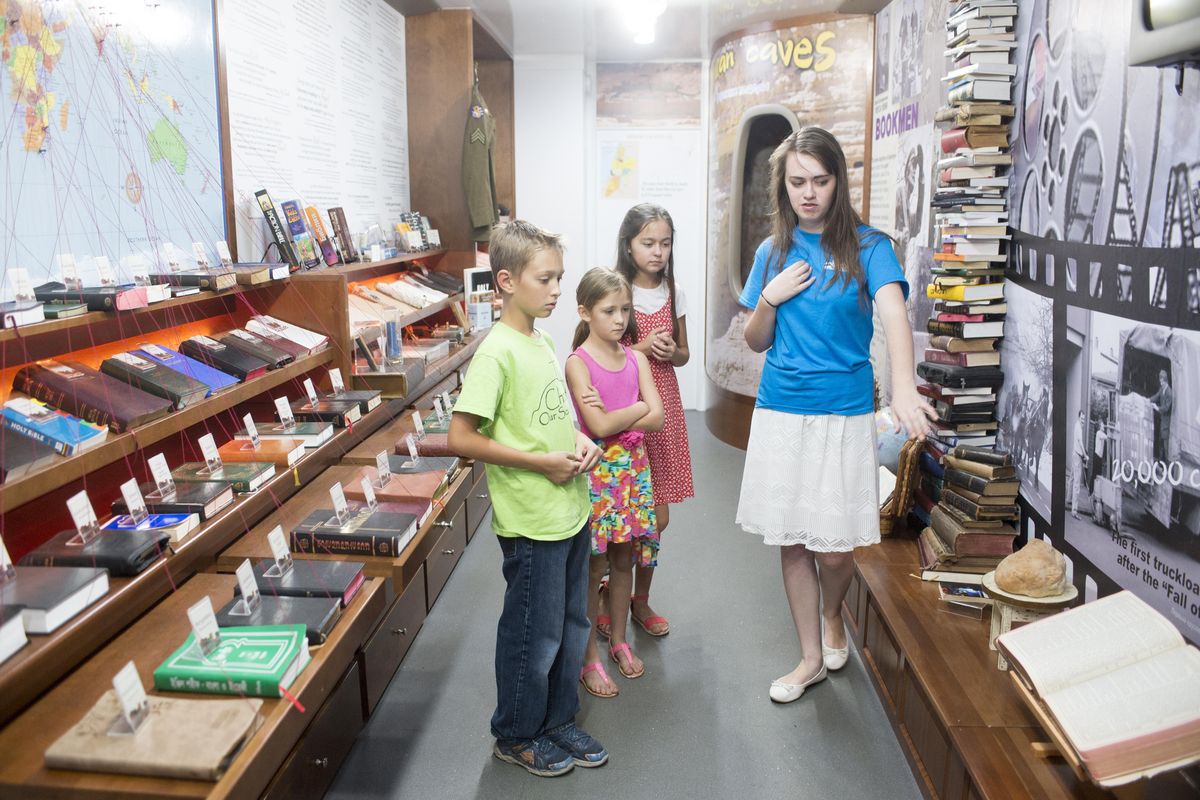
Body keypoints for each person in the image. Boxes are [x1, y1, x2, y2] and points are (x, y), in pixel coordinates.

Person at [735, 127, 935, 704]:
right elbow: (754, 340)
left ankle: (831, 613)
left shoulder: (870, 246)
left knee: (835, 550)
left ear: (838, 182)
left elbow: (895, 316)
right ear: (784, 185)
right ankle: (807, 659)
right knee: (794, 540)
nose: (809, 193)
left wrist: (902, 387)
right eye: (797, 181)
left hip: (844, 414)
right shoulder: (772, 251)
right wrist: (769, 298)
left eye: (821, 181)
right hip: (782, 412)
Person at [448, 220, 606, 776]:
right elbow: (461, 437)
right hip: (531, 520)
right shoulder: (496, 352)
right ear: (507, 281)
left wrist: (580, 440)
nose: (558, 290)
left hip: (571, 509)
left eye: (560, 277)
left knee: (571, 624)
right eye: (546, 279)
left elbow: (551, 417)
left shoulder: (541, 339)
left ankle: (558, 720)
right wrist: (540, 462)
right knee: (532, 635)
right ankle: (515, 732)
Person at [565, 267, 664, 697]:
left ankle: (619, 639)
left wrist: (616, 417)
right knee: (593, 568)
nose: (620, 319)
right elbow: (597, 424)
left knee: (626, 561)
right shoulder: (577, 363)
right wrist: (634, 410)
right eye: (609, 310)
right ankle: (589, 657)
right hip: (599, 477)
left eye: (625, 309)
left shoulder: (637, 358)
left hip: (634, 475)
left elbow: (657, 417)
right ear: (585, 312)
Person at [596, 203, 693, 639]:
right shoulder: (617, 292)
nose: (658, 252)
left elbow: (685, 355)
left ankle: (640, 598)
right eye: (648, 243)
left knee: (657, 518)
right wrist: (639, 348)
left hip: (664, 409)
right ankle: (607, 591)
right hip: (626, 410)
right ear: (628, 245)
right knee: (621, 512)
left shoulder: (675, 292)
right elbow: (598, 351)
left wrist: (672, 353)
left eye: (665, 243)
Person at [1149, 369, 1173, 462]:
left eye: (1162, 381)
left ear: (1165, 381)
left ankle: (1167, 468)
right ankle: (1161, 464)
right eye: (1160, 381)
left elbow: (1166, 408)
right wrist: (1148, 400)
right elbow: (1156, 396)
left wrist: (1157, 408)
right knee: (1161, 445)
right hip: (1162, 422)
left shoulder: (1169, 393)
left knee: (1166, 447)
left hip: (1167, 424)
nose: (1161, 383)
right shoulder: (1162, 389)